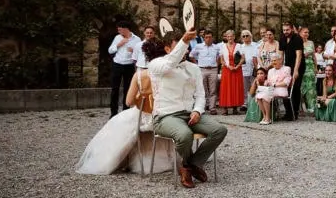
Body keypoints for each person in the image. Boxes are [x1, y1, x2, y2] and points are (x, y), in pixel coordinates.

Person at [76, 43, 173, 175]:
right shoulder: (170, 75)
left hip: (143, 116)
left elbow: (129, 101)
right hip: (163, 116)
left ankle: (119, 159)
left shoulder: (139, 75)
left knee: (118, 123)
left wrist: (141, 98)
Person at [148, 28, 228, 188]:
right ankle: (186, 166)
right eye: (179, 46)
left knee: (219, 130)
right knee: (185, 135)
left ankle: (191, 165)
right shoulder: (156, 64)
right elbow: (170, 63)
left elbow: (200, 94)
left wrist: (198, 110)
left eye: (186, 46)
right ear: (167, 49)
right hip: (165, 116)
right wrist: (184, 40)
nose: (184, 49)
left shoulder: (194, 68)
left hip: (189, 114)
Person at [108, 19, 142, 117]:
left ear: (126, 29)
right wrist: (119, 44)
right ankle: (113, 113)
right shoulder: (117, 38)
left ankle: (125, 112)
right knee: (115, 89)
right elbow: (110, 51)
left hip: (129, 66)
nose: (118, 31)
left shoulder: (137, 39)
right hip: (117, 64)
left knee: (128, 89)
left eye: (120, 29)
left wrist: (133, 51)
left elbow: (139, 53)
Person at [189, 30, 221, 114]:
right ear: (204, 38)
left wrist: (217, 64)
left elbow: (220, 56)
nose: (208, 39)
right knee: (202, 89)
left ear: (212, 38)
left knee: (213, 89)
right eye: (206, 37)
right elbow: (191, 55)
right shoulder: (198, 46)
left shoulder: (216, 47)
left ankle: (212, 108)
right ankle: (203, 107)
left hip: (213, 69)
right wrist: (196, 64)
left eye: (210, 37)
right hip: (202, 69)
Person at [279, 22, 304, 120]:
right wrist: (279, 68)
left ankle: (295, 112)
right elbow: (281, 55)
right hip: (287, 66)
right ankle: (288, 112)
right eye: (284, 30)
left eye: (287, 30)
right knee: (286, 88)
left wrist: (296, 71)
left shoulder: (297, 38)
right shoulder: (282, 39)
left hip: (299, 66)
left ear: (291, 29)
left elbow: (299, 55)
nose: (285, 32)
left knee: (295, 88)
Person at [218, 29, 244, 115]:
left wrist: (237, 66)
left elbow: (243, 58)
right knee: (226, 88)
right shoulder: (222, 46)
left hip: (237, 69)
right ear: (226, 37)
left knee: (235, 87)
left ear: (234, 37)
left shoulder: (239, 46)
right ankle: (225, 108)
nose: (229, 38)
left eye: (231, 36)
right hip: (227, 69)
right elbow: (221, 60)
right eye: (228, 36)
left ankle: (235, 108)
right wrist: (228, 66)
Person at [238, 30, 259, 112]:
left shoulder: (256, 45)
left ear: (251, 36)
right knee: (245, 87)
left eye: (247, 35)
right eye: (243, 36)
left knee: (254, 86)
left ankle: (254, 103)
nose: (245, 37)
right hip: (244, 69)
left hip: (254, 69)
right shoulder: (240, 47)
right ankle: (246, 103)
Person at [299, 26, 318, 114]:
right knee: (301, 87)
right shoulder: (298, 43)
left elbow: (314, 56)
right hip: (301, 66)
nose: (307, 34)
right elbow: (298, 56)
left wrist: (316, 67)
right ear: (300, 33)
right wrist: (306, 54)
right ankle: (301, 108)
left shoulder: (311, 43)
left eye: (308, 32)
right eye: (305, 32)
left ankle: (312, 108)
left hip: (310, 67)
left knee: (311, 88)